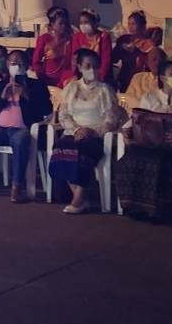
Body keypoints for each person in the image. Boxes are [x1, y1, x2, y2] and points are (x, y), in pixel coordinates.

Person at [116, 59, 172, 221]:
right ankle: (134, 205)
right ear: (163, 78)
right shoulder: (149, 98)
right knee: (129, 159)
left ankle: (156, 210)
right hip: (146, 145)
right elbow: (135, 120)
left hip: (171, 148)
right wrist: (128, 131)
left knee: (157, 162)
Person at [0, 50, 53, 201]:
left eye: (20, 64)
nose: (16, 67)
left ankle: (16, 186)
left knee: (19, 141)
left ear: (26, 66)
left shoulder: (37, 85)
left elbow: (46, 110)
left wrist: (27, 95)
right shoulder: (0, 85)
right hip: (1, 129)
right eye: (13, 63)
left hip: (24, 129)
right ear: (7, 65)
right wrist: (2, 97)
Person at [48, 50, 123, 213]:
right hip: (74, 132)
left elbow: (112, 119)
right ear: (80, 67)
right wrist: (77, 130)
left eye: (95, 66)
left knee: (84, 151)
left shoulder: (105, 90)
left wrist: (92, 132)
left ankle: (78, 198)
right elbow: (64, 115)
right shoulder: (72, 87)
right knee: (60, 147)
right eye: (88, 66)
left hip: (96, 135)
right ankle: (79, 196)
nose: (92, 70)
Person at [112, 10, 157, 93]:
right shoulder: (124, 39)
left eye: (133, 24)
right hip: (125, 79)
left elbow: (149, 64)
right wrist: (120, 48)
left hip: (142, 81)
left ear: (142, 26)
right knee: (125, 99)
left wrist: (136, 50)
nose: (130, 27)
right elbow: (114, 59)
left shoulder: (149, 43)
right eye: (129, 24)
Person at [31, 7, 76, 86]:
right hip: (48, 80)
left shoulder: (71, 39)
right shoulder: (44, 39)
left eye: (66, 23)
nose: (64, 26)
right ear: (52, 24)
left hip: (67, 81)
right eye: (61, 23)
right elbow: (36, 62)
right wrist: (42, 79)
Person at [70, 9, 113, 85]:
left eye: (86, 22)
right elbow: (75, 58)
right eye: (81, 23)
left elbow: (106, 59)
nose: (83, 25)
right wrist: (76, 75)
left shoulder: (103, 36)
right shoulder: (77, 37)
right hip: (82, 74)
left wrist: (100, 77)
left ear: (94, 22)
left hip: (100, 75)